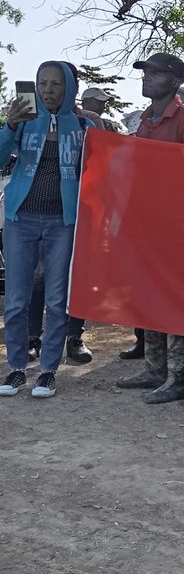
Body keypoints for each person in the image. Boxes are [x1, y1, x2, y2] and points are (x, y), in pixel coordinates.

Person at [116, 52, 184, 404]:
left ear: (173, 80)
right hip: (146, 224)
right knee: (149, 296)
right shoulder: (145, 120)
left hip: (178, 228)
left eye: (155, 74)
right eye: (145, 73)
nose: (146, 78)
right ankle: (155, 368)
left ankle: (179, 378)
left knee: (175, 300)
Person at [0, 61, 92, 400]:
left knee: (56, 300)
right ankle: (16, 369)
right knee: (16, 300)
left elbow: (110, 166)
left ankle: (49, 372)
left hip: (62, 223)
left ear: (69, 87)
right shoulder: (24, 122)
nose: (48, 90)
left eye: (56, 84)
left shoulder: (84, 126)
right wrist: (9, 125)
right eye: (42, 83)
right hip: (20, 219)